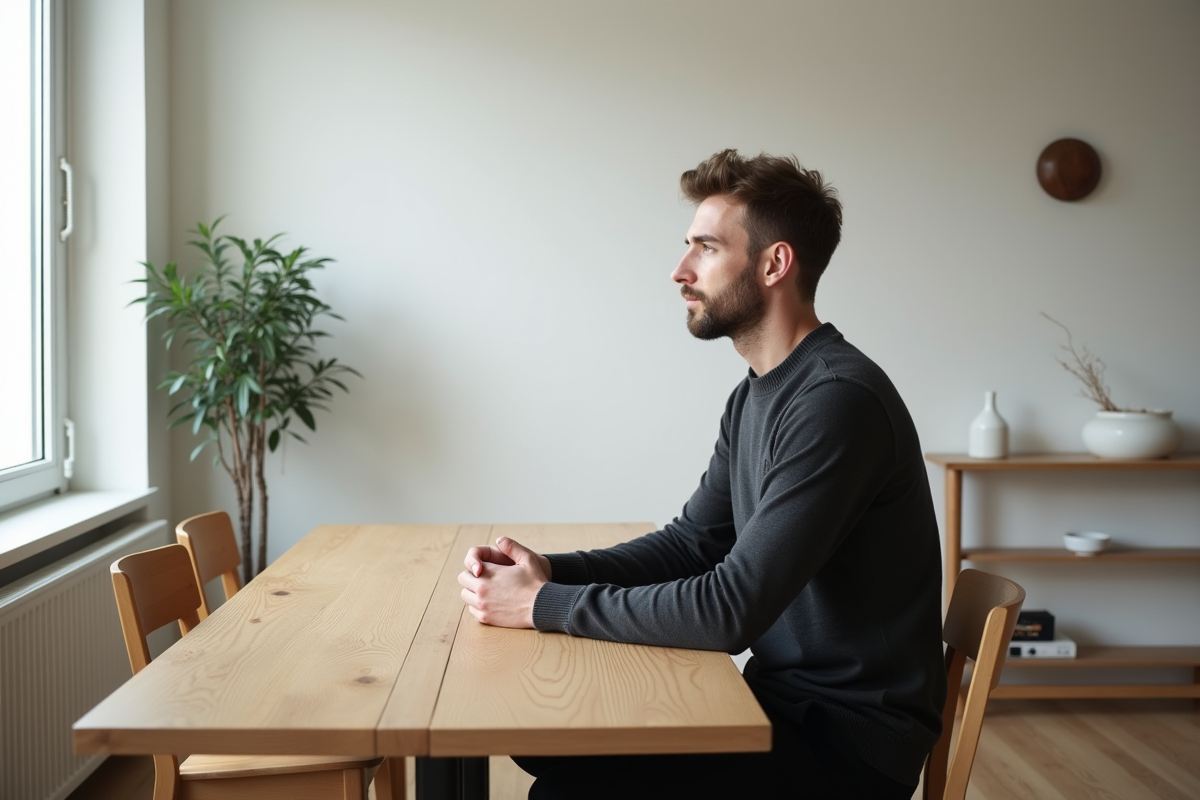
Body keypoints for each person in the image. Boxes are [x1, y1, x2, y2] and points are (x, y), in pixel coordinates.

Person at [458, 149, 946, 799]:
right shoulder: (756, 396)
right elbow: (691, 546)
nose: (680, 270)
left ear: (774, 264)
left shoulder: (836, 402)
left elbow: (730, 610)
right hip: (779, 705)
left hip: (845, 746)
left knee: (566, 792)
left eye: (706, 248)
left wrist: (540, 605)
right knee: (542, 738)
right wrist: (547, 572)